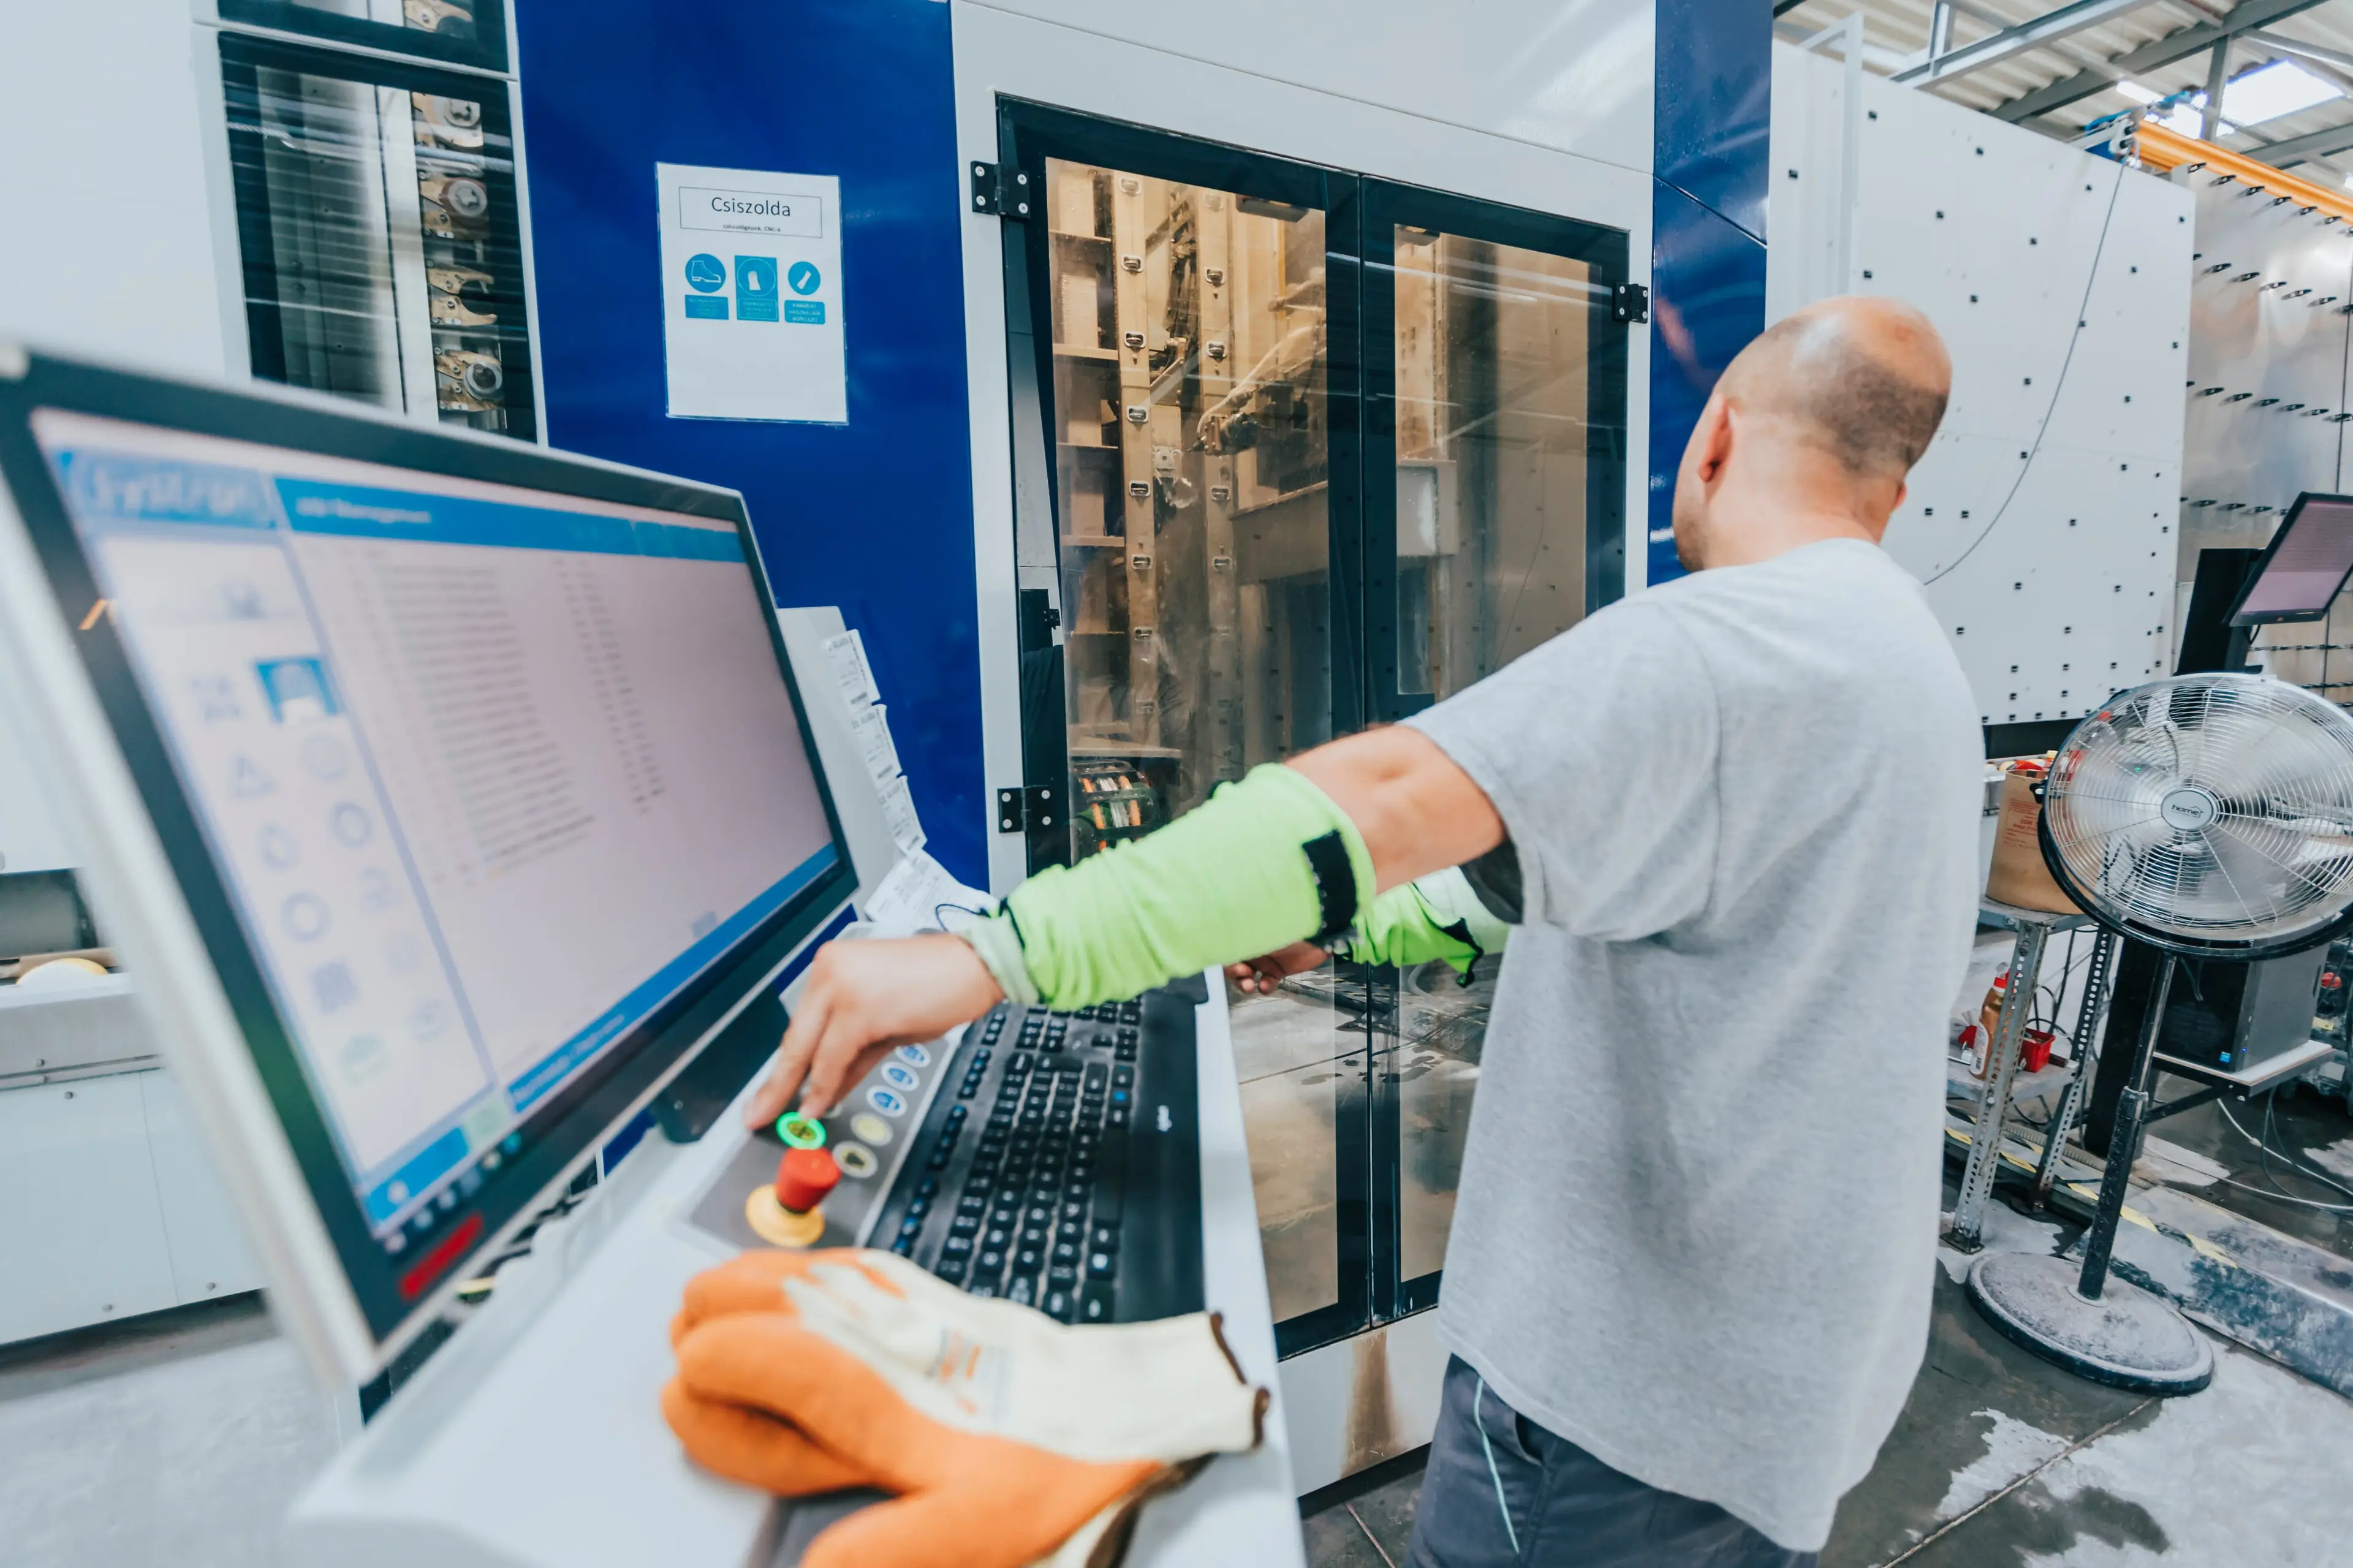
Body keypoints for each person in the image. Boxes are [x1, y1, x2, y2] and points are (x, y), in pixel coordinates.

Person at [745, 295, 1981, 1566]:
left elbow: (1375, 803)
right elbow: (1586, 882)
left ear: (1713, 435)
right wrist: (1347, 933)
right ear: (1892, 489)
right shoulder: (1908, 664)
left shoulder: (1727, 649)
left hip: (1618, 1411)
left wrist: (982, 956)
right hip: (1775, 1387)